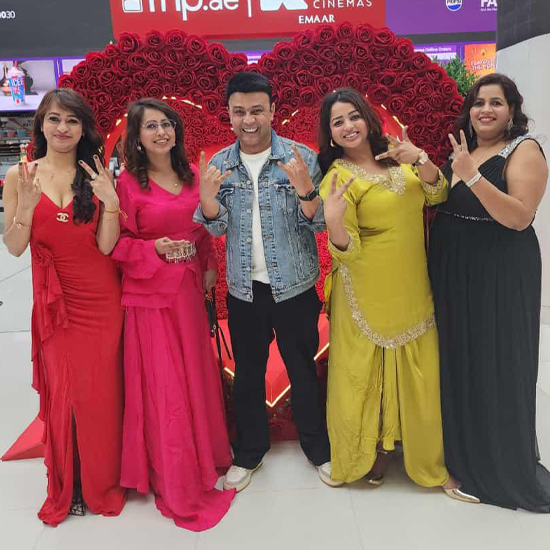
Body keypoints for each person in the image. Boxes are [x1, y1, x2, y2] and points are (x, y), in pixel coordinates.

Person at [318, 87, 477, 502]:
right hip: (365, 288)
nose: (348, 126)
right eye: (338, 122)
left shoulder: (397, 155)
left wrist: (419, 158)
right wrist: (333, 222)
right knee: (362, 376)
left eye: (354, 116)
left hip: (412, 283)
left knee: (421, 374)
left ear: (367, 118)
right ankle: (366, 455)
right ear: (331, 134)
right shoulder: (337, 177)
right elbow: (347, 249)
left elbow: (438, 194)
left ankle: (426, 462)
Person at [194, 71, 335, 492]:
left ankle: (317, 449)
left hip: (294, 287)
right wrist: (208, 203)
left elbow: (319, 223)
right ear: (229, 114)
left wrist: (306, 190)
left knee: (302, 371)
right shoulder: (220, 164)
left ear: (273, 110)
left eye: (257, 110)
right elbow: (216, 229)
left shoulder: (300, 157)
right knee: (249, 374)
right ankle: (249, 452)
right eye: (239, 112)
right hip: (244, 290)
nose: (249, 120)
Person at [2, 88, 126, 525]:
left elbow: (107, 247)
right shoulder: (20, 175)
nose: (62, 128)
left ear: (83, 128)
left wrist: (111, 204)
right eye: (54, 118)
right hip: (55, 304)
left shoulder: (95, 174)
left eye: (72, 120)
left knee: (99, 393)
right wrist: (25, 209)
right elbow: (15, 247)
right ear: (41, 123)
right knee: (65, 391)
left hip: (100, 299)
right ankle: (69, 481)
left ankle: (100, 479)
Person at [111, 98, 235, 531]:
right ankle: (174, 470)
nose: (161, 132)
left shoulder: (193, 175)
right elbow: (114, 243)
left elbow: (203, 229)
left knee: (195, 375)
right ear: (137, 137)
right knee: (165, 384)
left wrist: (210, 264)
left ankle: (207, 455)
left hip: (188, 291)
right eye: (151, 126)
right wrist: (154, 249)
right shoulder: (127, 184)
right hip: (148, 295)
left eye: (167, 124)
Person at [428, 73, 550, 512]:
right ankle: (461, 453)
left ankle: (498, 464)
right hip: (455, 268)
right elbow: (444, 195)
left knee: (496, 361)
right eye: (479, 102)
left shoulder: (524, 150)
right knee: (460, 359)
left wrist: (473, 177)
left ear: (512, 110)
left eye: (496, 102)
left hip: (498, 271)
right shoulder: (466, 148)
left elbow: (519, 217)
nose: (485, 110)